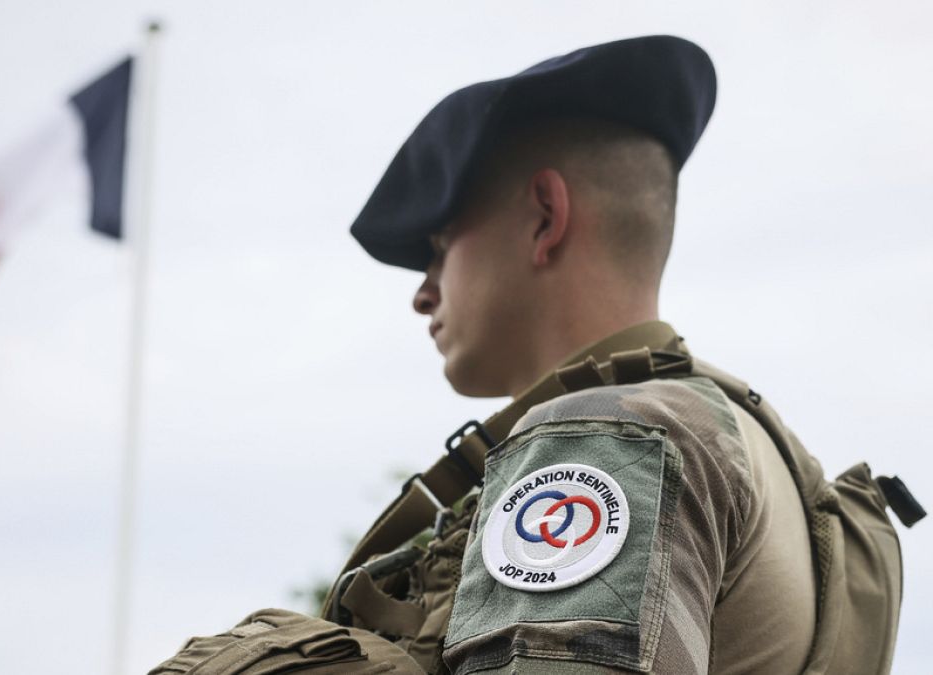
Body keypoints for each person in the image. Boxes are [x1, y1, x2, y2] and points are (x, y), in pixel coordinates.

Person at [153, 35, 911, 675]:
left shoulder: (607, 435)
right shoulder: (730, 426)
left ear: (545, 217)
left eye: (440, 249)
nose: (423, 293)